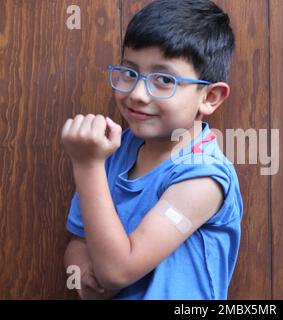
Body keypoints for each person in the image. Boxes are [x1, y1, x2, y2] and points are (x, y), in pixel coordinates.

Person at [62, 0, 242, 300]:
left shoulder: (203, 177)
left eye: (164, 80)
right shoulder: (114, 150)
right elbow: (80, 239)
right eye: (129, 73)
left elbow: (118, 271)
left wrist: (85, 165)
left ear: (209, 97)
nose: (137, 94)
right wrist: (83, 274)